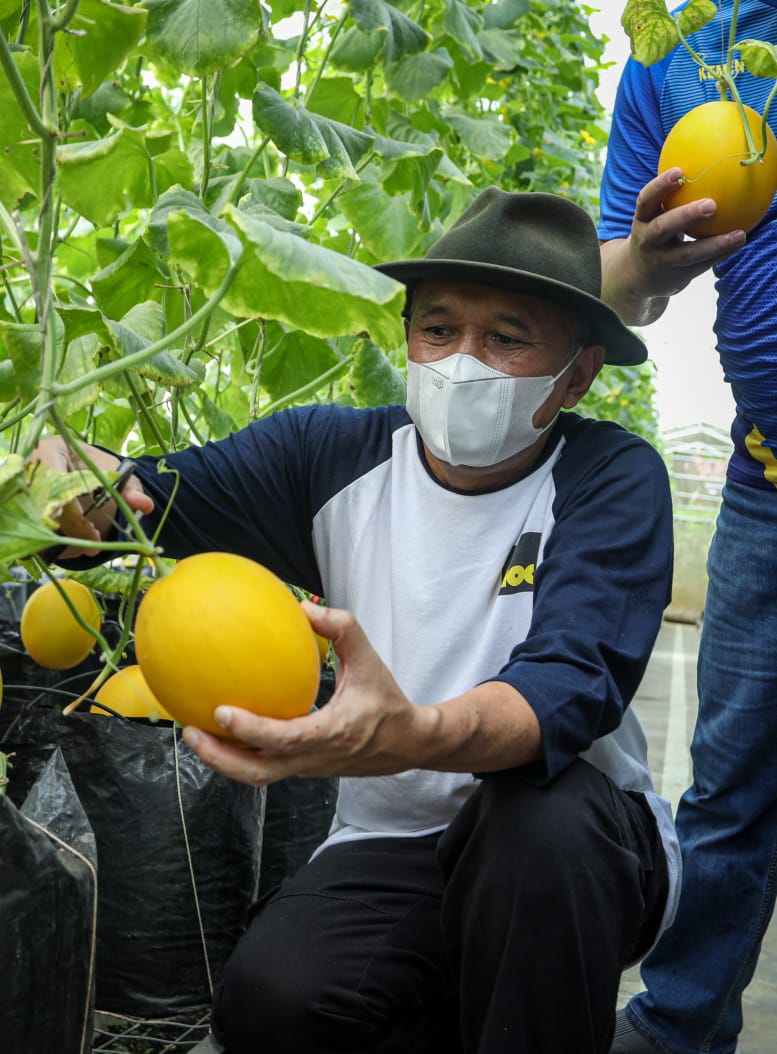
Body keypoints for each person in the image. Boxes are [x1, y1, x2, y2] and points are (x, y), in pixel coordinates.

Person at [35, 187, 679, 1053]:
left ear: (578, 375)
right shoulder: (328, 456)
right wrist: (84, 491)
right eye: (438, 328)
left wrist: (411, 732)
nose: (461, 361)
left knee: (538, 827)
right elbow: (152, 500)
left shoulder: (610, 477)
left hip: (577, 846)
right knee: (272, 1003)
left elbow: (570, 686)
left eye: (506, 337)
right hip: (397, 839)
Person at [598, 3, 777, 1052]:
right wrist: (650, 264)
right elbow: (624, 294)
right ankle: (678, 1026)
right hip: (765, 480)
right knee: (730, 787)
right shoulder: (672, 52)